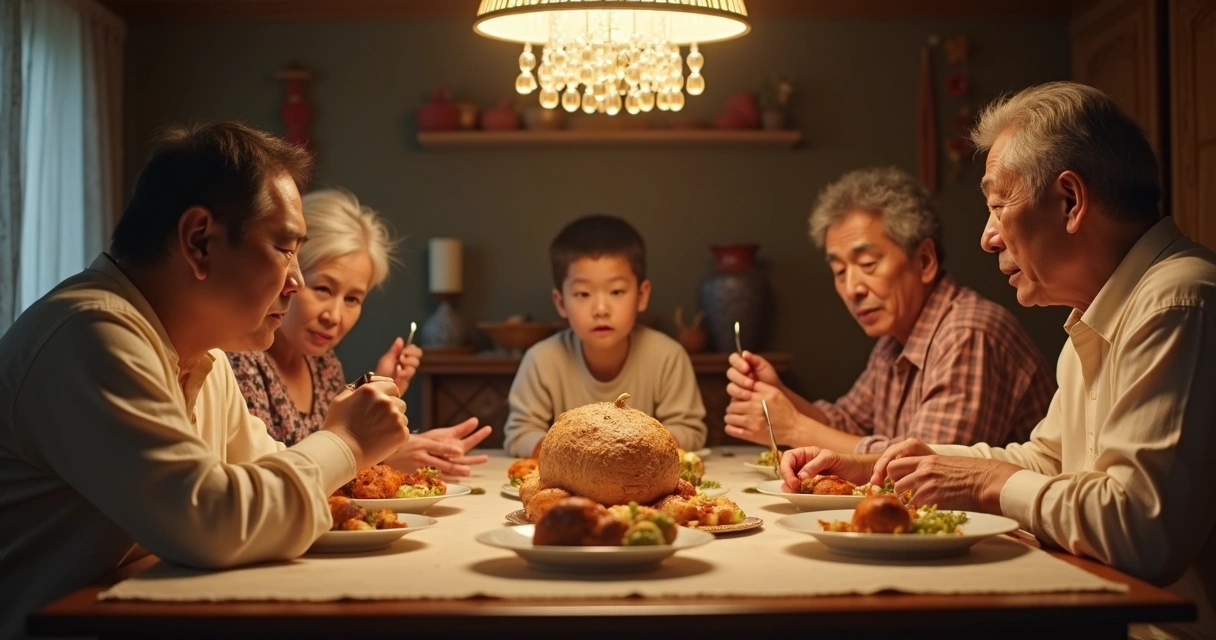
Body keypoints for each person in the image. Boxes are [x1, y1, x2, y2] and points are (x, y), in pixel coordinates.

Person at [782, 82, 1216, 640]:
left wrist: (986, 479)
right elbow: (1045, 461)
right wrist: (880, 468)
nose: (987, 237)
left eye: (997, 204)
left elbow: (1141, 531)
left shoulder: (1178, 301)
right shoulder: (1102, 311)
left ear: (1069, 201)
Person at [0, 122, 410, 639]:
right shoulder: (91, 333)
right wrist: (346, 440)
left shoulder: (199, 355)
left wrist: (356, 448)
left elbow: (266, 473)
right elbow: (213, 523)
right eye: (285, 248)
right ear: (199, 241)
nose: (297, 280)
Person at [726, 167, 1055, 454]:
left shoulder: (967, 333)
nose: (852, 288)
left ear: (925, 261)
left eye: (867, 264)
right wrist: (778, 395)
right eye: (840, 272)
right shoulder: (895, 340)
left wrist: (794, 429)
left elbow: (926, 470)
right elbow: (846, 425)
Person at [227, 189, 491, 476]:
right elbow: (264, 481)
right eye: (323, 289)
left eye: (352, 299)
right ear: (288, 274)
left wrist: (380, 393)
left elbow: (332, 453)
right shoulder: (240, 361)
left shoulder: (324, 365)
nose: (334, 316)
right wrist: (383, 458)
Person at [503, 214, 707, 457]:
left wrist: (634, 450)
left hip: (642, 481)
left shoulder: (668, 356)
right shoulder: (542, 360)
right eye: (583, 294)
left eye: (617, 291)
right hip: (571, 484)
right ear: (560, 302)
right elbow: (519, 434)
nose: (601, 309)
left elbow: (690, 430)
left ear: (642, 295)